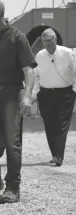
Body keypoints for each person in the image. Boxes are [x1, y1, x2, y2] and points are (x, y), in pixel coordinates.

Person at [0, 0, 37, 204]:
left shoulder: (18, 38)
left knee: (12, 143)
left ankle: (13, 188)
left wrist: (27, 94)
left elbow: (28, 69)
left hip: (11, 94)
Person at [31, 28, 76, 167]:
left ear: (55, 40)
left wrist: (74, 90)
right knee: (49, 124)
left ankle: (58, 156)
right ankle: (55, 154)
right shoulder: (40, 55)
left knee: (61, 124)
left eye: (49, 41)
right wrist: (35, 93)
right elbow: (36, 76)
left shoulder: (67, 53)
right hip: (45, 94)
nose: (46, 44)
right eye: (44, 41)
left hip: (65, 94)